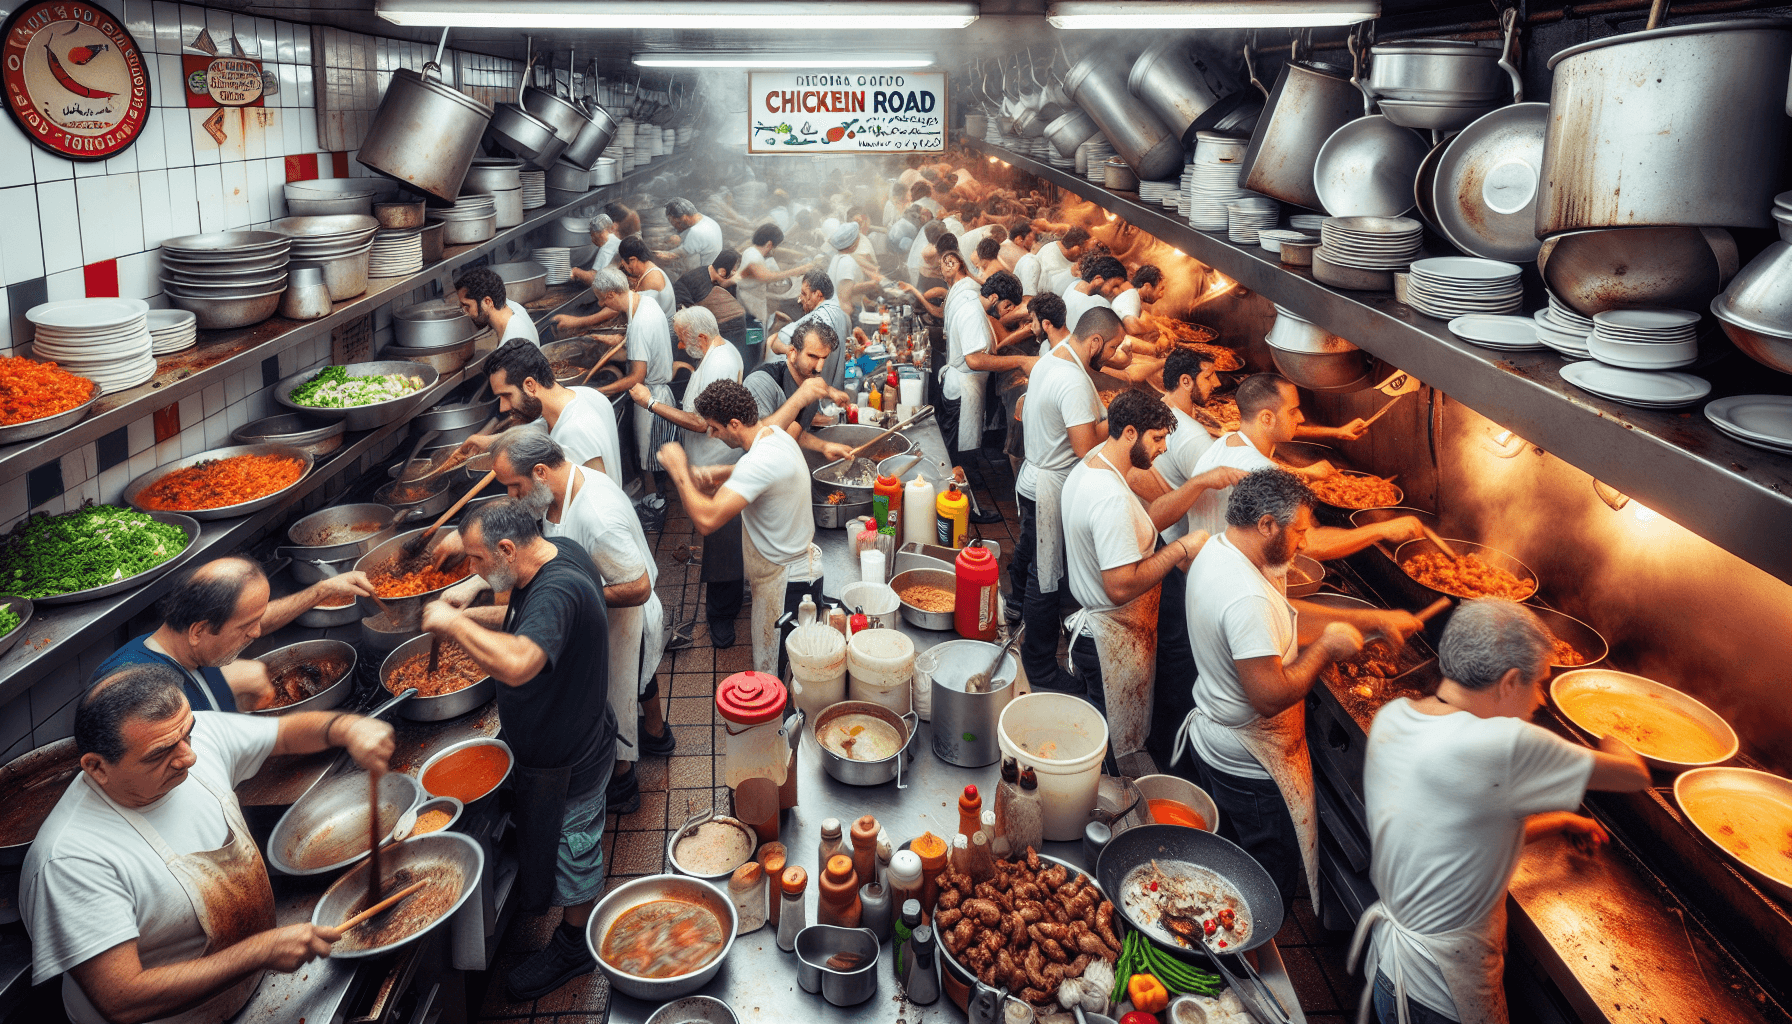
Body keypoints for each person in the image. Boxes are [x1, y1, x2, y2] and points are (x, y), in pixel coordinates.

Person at [22, 661, 393, 1024]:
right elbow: (122, 1000)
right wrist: (259, 951)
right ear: (97, 767)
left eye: (188, 734)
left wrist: (346, 727)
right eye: (161, 753)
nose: (190, 756)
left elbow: (284, 733)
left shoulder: (180, 737)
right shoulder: (71, 859)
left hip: (253, 991)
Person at [1350, 600, 1650, 1024]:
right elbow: (1633, 775)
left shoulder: (1394, 717)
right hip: (1444, 999)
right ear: (1510, 681)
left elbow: (1459, 835)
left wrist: (1562, 821)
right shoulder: (1506, 744)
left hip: (1389, 975)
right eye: (1539, 683)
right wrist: (1613, 724)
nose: (1541, 699)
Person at [1174, 468, 1424, 913]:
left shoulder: (1220, 548)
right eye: (1300, 531)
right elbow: (1269, 696)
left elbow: (1285, 617)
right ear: (1267, 524)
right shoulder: (1245, 596)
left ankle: (1218, 928)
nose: (1306, 542)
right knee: (1265, 885)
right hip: (1249, 761)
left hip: (1217, 740)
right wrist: (1326, 650)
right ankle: (1247, 957)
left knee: (1232, 864)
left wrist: (1373, 621)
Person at [419, 499, 616, 1001]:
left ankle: (574, 944)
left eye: (480, 561)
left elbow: (521, 661)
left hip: (571, 754)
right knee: (562, 839)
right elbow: (522, 613)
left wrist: (453, 624)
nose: (477, 571)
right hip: (569, 732)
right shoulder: (558, 552)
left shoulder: (558, 589)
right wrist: (475, 598)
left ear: (508, 548)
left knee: (576, 849)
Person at [473, 430, 670, 815]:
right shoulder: (559, 490)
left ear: (541, 472)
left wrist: (578, 597)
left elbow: (639, 586)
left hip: (626, 619)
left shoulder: (596, 515)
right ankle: (659, 736)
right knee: (634, 687)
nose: (512, 497)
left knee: (614, 703)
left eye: (514, 487)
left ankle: (623, 785)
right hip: (604, 617)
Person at [659, 380, 823, 678]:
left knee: (782, 676)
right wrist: (719, 473)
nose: (711, 434)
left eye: (714, 428)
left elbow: (707, 520)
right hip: (782, 574)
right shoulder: (772, 435)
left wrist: (678, 469)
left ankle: (780, 726)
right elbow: (761, 471)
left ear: (734, 424)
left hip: (788, 584)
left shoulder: (758, 461)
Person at [92, 557, 374, 712]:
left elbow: (256, 618)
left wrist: (324, 589)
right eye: (246, 628)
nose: (258, 631)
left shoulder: (191, 645)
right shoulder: (141, 688)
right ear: (199, 630)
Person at [1182, 374, 1420, 557]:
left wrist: (1334, 435)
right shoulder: (1265, 474)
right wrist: (1384, 529)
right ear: (1266, 418)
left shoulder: (1226, 442)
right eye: (1293, 411)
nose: (1301, 418)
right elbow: (1310, 544)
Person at [634, 307, 749, 648]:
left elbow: (701, 422)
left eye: (683, 340)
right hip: (711, 466)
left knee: (721, 544)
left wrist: (651, 403)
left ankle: (721, 618)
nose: (681, 348)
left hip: (717, 467)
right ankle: (727, 600)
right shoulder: (716, 352)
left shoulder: (719, 362)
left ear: (701, 337)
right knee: (722, 542)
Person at [1136, 349, 1226, 764]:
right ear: (1187, 381)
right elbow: (1213, 507)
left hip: (1157, 542)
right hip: (1178, 558)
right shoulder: (1195, 440)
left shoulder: (1158, 410)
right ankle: (1171, 746)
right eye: (1210, 377)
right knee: (1178, 656)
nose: (1218, 385)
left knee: (1162, 649)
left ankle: (1154, 732)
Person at [456, 338, 623, 479]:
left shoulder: (574, 433)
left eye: (507, 395)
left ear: (530, 385)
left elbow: (597, 499)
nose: (503, 407)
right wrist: (488, 442)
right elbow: (538, 431)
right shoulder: (586, 395)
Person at [939, 248, 1031, 492]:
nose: (1008, 313)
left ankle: (970, 505)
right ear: (994, 298)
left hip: (965, 387)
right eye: (1008, 306)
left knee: (965, 452)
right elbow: (975, 360)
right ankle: (968, 510)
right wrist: (1021, 362)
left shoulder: (974, 304)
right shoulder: (972, 312)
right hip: (962, 388)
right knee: (961, 459)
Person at [587, 268, 675, 493]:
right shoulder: (645, 302)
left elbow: (637, 376)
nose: (600, 305)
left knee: (649, 460)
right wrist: (605, 346)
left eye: (600, 299)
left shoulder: (639, 325)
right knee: (656, 456)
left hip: (650, 394)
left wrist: (600, 391)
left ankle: (654, 504)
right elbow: (637, 354)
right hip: (657, 387)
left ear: (610, 295)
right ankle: (656, 498)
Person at [742, 321, 855, 463]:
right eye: (812, 356)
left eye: (824, 358)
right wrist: (801, 397)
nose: (819, 367)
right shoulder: (760, 382)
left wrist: (824, 446)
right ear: (793, 353)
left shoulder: (809, 381)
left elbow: (794, 432)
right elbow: (758, 441)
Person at [769, 269, 851, 389]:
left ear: (817, 294)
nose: (800, 298)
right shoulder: (841, 313)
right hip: (835, 390)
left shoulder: (816, 318)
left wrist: (790, 351)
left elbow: (777, 344)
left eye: (804, 293)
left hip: (816, 395)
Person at [674, 250, 748, 349]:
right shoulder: (694, 281)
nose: (735, 274)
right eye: (734, 270)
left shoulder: (727, 282)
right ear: (722, 271)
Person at [456, 265, 539, 347]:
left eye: (467, 306)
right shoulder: (512, 307)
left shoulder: (512, 344)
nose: (465, 312)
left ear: (487, 302)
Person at [1062, 254, 1127, 338]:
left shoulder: (1073, 285)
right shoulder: (1099, 303)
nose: (1117, 292)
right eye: (1115, 286)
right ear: (1098, 279)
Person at [655, 197, 723, 274]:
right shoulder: (707, 220)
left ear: (683, 217)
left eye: (674, 223)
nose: (675, 226)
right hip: (711, 266)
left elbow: (675, 255)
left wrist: (653, 253)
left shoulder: (696, 232)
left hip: (703, 273)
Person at [1035, 225, 1091, 296]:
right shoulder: (1050, 255)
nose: (1084, 253)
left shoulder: (1070, 257)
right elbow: (1049, 289)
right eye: (1083, 249)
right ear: (1076, 248)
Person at [569, 213, 620, 287]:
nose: (592, 239)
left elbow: (596, 280)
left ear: (601, 233)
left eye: (592, 235)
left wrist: (576, 271)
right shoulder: (617, 241)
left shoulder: (607, 247)